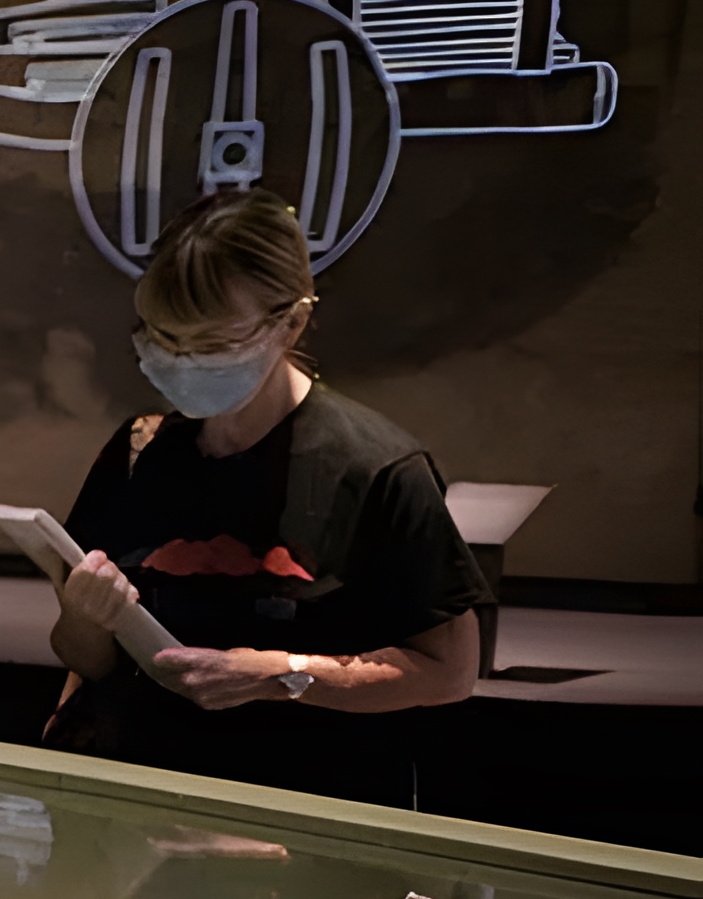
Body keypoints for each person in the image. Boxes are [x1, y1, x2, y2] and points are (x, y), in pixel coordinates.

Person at [46, 190, 486, 808]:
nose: (181, 361)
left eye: (211, 344)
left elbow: (449, 671)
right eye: (162, 338)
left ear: (292, 322)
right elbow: (88, 661)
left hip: (303, 819)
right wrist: (83, 618)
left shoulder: (376, 470)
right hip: (143, 813)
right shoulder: (140, 451)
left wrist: (280, 674)